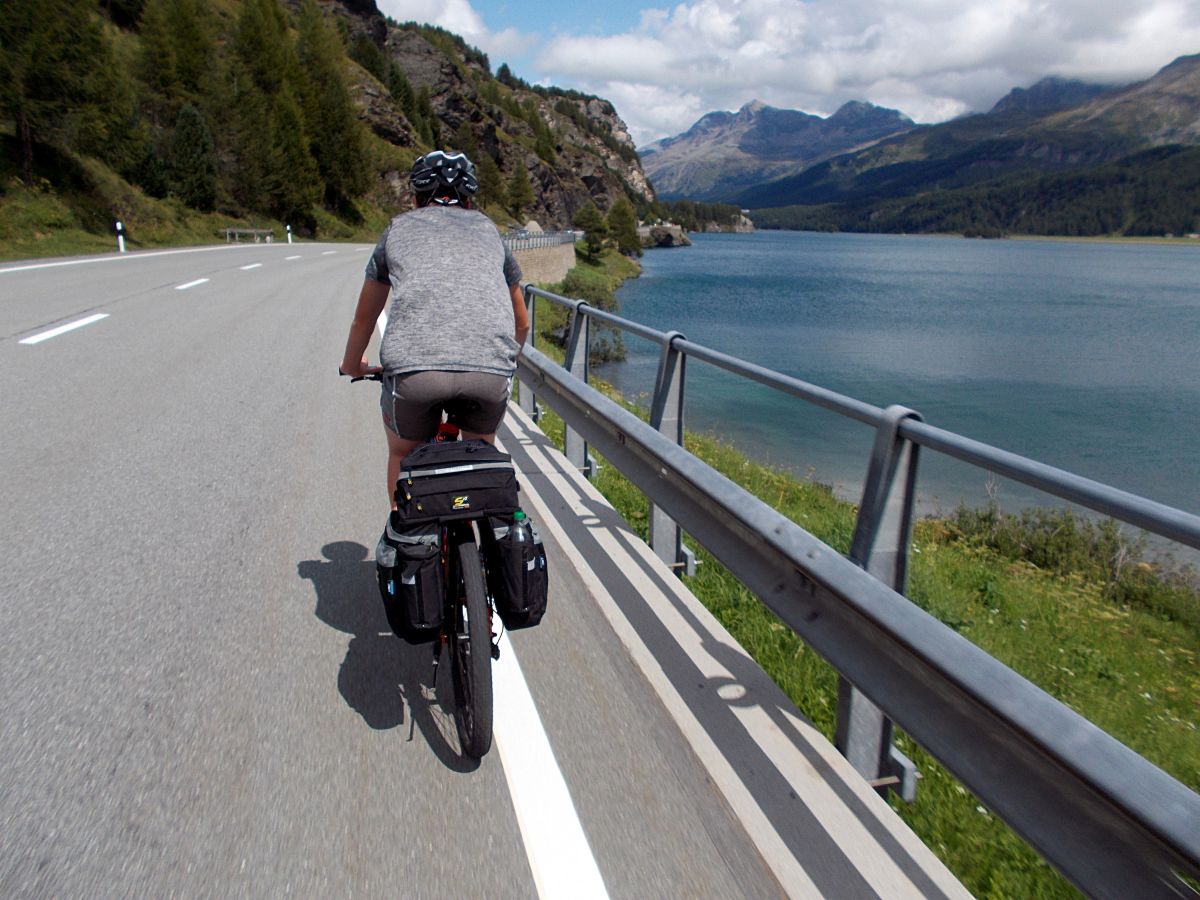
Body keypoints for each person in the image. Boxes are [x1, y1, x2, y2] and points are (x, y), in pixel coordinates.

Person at [340, 150, 530, 509]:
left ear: (415, 198)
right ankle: (479, 535)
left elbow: (365, 318)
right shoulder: (490, 231)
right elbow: (522, 322)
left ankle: (405, 536)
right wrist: (502, 360)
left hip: (416, 375)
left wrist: (353, 365)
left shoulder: (397, 229)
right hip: (489, 373)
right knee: (481, 451)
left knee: (404, 453)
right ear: (470, 200)